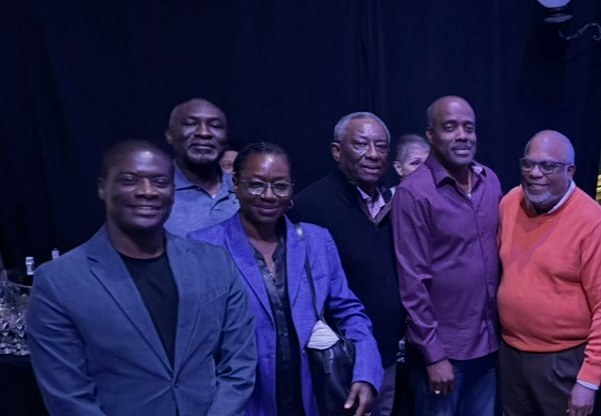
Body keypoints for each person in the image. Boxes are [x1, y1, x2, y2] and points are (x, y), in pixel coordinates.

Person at [27, 140, 256, 416]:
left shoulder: (214, 262)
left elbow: (239, 364)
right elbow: (68, 397)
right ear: (102, 187)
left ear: (173, 191)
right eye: (130, 180)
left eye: (160, 182)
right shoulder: (58, 281)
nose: (147, 191)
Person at [191, 142, 382, 416]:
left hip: (311, 398)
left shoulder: (316, 241)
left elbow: (350, 312)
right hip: (241, 402)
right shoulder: (204, 246)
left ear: (292, 189)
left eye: (280, 186)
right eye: (256, 185)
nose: (269, 195)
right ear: (236, 184)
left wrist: (366, 371)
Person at [498, 130, 601, 416]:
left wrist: (589, 380)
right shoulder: (509, 204)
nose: (535, 173)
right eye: (528, 164)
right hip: (511, 356)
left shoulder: (594, 224)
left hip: (564, 362)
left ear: (570, 171)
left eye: (548, 166)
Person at [292, 112, 406, 416]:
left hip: (388, 356)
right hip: (335, 361)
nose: (373, 154)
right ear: (336, 151)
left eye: (381, 146)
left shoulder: (397, 203)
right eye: (361, 144)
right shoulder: (310, 206)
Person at [393, 96, 501, 416]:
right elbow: (413, 283)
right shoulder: (414, 193)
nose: (462, 135)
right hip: (444, 354)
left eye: (469, 127)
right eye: (450, 127)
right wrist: (434, 355)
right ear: (431, 135)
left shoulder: (490, 181)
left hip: (489, 346)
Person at [163, 98, 239, 235]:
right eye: (190, 124)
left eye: (215, 125)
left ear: (226, 137)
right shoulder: (156, 191)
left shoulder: (243, 190)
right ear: (169, 135)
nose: (204, 133)